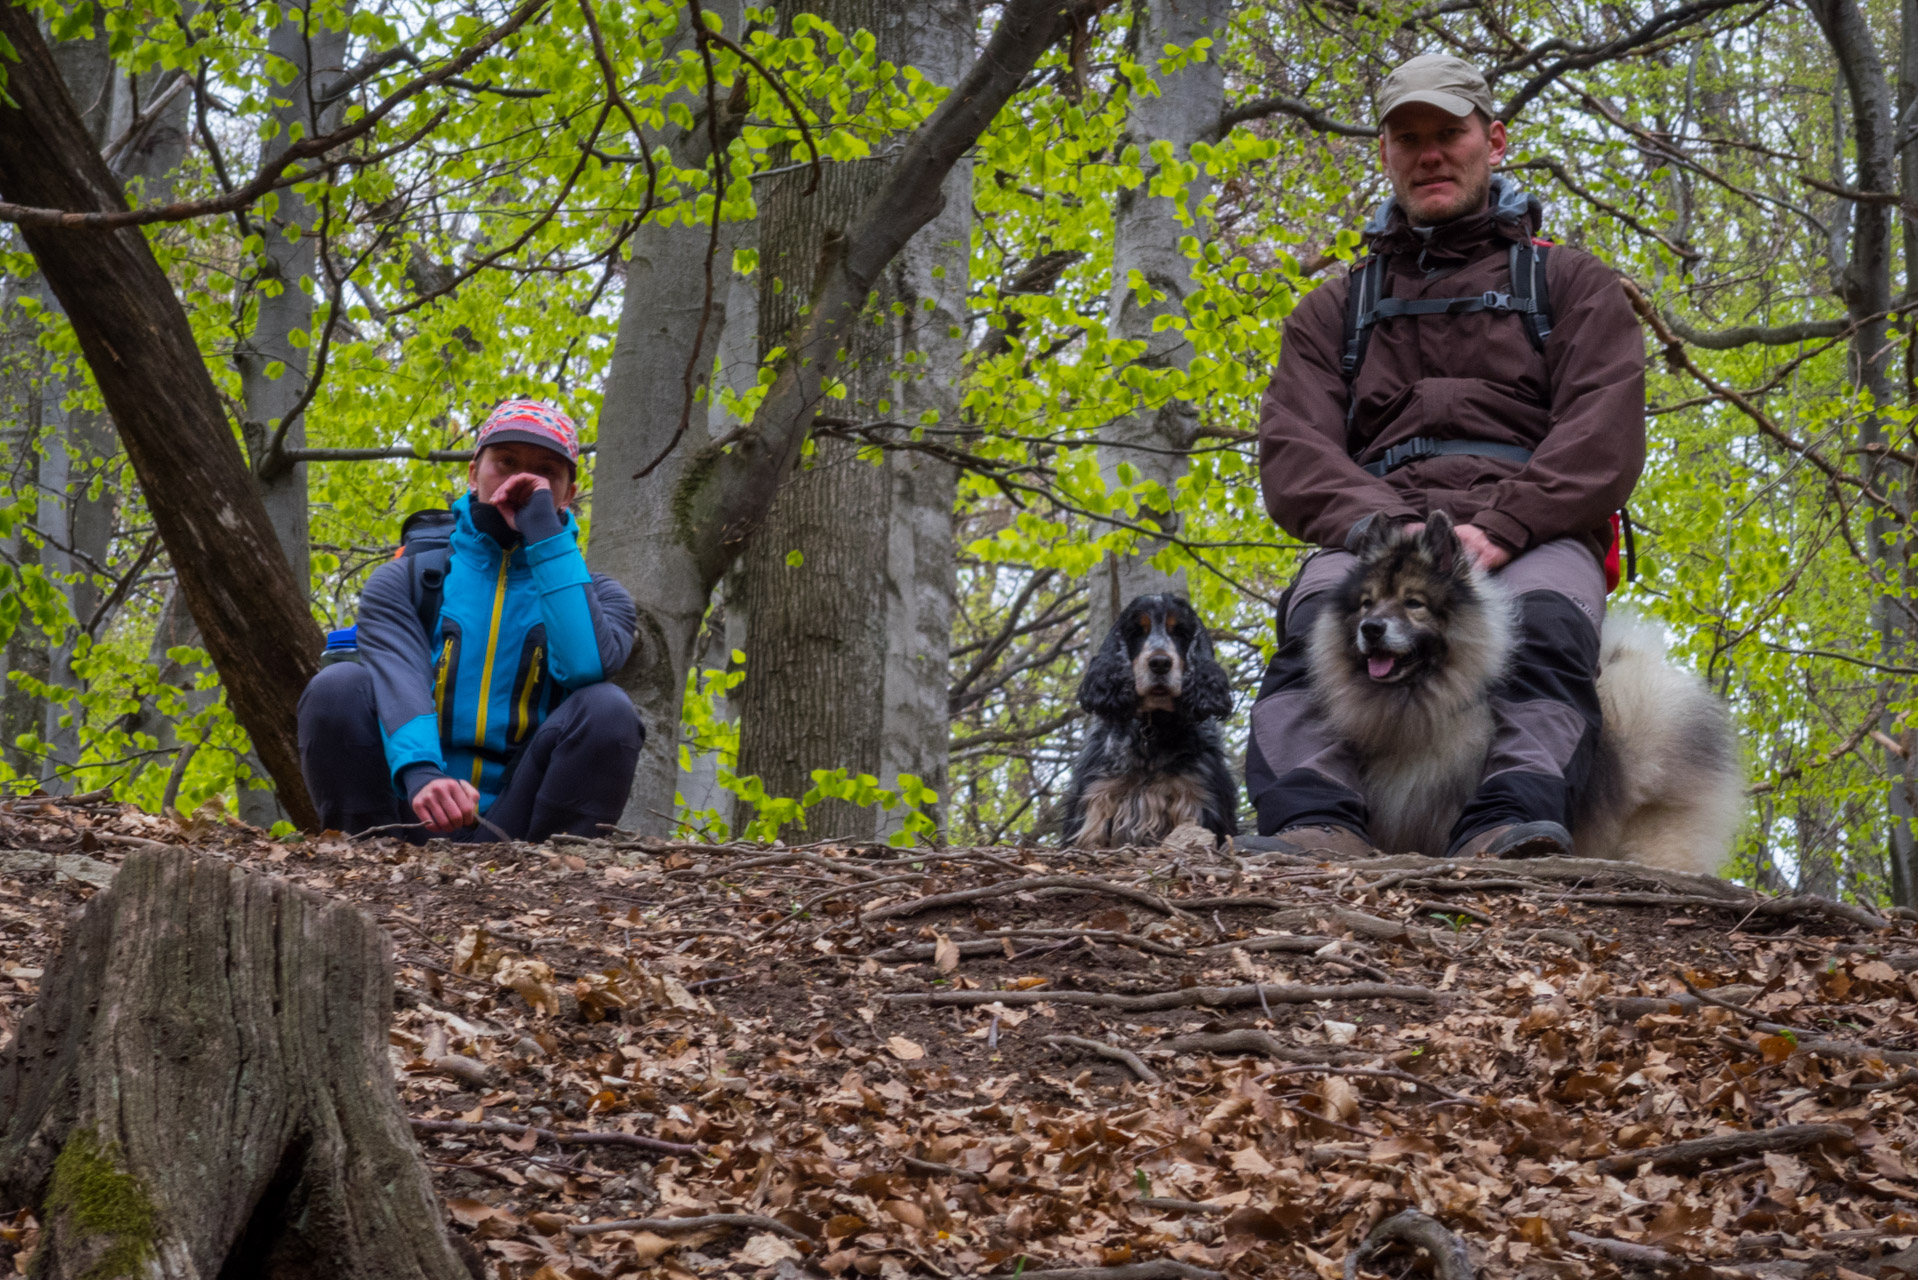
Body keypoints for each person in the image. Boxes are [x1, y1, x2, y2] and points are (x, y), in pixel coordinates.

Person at [1245, 53, 1646, 859]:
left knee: (1552, 624)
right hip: (1380, 534)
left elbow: (1602, 429)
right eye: (1409, 138)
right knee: (1315, 621)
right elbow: (1294, 451)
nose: (1430, 153)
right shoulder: (1333, 309)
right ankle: (1314, 823)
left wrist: (1505, 524)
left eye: (1449, 134)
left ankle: (1510, 822)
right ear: (1387, 154)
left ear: (1492, 142)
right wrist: (1384, 531)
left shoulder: (1570, 283)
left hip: (1533, 522)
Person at [298, 399, 643, 841]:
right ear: (472, 472)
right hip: (410, 806)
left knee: (608, 707)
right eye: (506, 462)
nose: (522, 480)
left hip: (522, 827)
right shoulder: (406, 581)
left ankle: (561, 877)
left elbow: (585, 668)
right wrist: (422, 772)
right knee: (337, 687)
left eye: (547, 474)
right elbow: (399, 678)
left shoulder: (601, 597)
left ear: (568, 495)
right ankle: (363, 865)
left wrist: (545, 535)